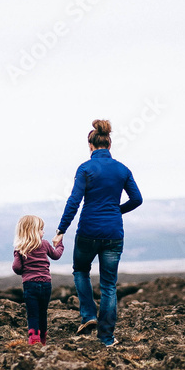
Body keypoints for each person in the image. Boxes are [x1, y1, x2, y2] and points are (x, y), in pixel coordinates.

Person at [52, 120, 141, 347]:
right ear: (109, 145)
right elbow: (137, 199)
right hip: (113, 233)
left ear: (90, 145)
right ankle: (107, 338)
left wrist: (61, 229)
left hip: (88, 231)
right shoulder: (123, 169)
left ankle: (89, 316)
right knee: (109, 286)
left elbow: (74, 201)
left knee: (81, 271)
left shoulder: (85, 169)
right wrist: (116, 211)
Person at [12, 215, 64, 345]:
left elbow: (17, 268)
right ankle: (43, 339)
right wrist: (59, 245)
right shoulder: (45, 244)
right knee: (43, 312)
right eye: (41, 229)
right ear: (33, 230)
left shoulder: (20, 248)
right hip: (46, 284)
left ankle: (33, 339)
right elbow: (56, 255)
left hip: (30, 285)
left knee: (32, 313)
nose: (43, 232)